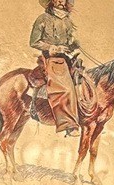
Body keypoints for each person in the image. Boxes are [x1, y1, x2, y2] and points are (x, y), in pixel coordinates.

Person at [29, 0, 82, 135]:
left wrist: (73, 45)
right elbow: (34, 42)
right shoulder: (43, 19)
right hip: (51, 59)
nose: (60, 1)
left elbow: (69, 42)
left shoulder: (68, 20)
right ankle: (68, 125)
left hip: (66, 58)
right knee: (65, 88)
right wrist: (53, 47)